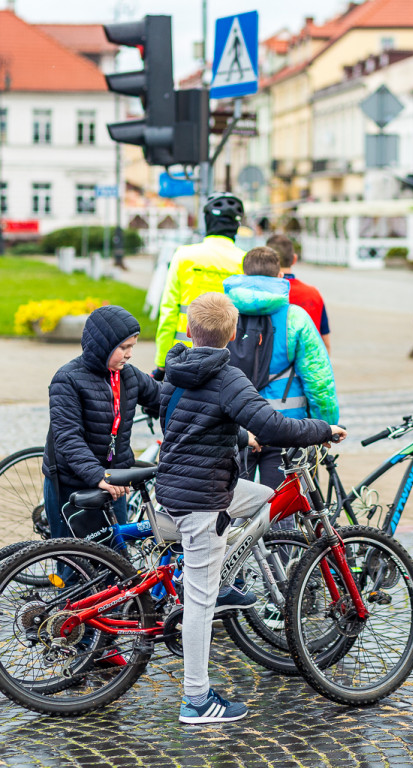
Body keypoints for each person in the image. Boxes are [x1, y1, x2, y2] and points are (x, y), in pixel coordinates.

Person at [155, 292, 345, 724]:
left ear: (189, 330)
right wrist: (323, 429)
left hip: (181, 484)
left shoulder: (178, 370)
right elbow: (273, 424)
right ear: (234, 334)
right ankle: (197, 701)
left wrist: (241, 439)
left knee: (265, 499)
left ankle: (224, 576)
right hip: (202, 499)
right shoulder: (228, 377)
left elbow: (191, 422)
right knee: (199, 605)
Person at [224, 246, 339, 492]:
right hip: (287, 428)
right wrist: (325, 427)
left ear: (243, 275)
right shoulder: (296, 317)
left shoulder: (225, 314)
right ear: (280, 277)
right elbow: (319, 382)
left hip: (238, 427)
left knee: (236, 509)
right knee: (282, 510)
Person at [42, 305, 161, 540]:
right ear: (102, 346)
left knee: (114, 559)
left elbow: (163, 396)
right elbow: (68, 438)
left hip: (113, 481)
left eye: (132, 347)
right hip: (73, 484)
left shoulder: (128, 374)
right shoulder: (67, 379)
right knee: (76, 562)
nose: (129, 354)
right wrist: (98, 476)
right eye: (123, 348)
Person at [153, 192, 246, 378]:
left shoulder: (184, 256)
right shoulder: (244, 261)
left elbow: (168, 311)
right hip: (228, 357)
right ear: (236, 225)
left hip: (183, 355)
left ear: (207, 222)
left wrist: (162, 361)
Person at [266, 233, 331, 353]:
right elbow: (325, 342)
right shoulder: (313, 294)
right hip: (307, 366)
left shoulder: (263, 294)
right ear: (294, 259)